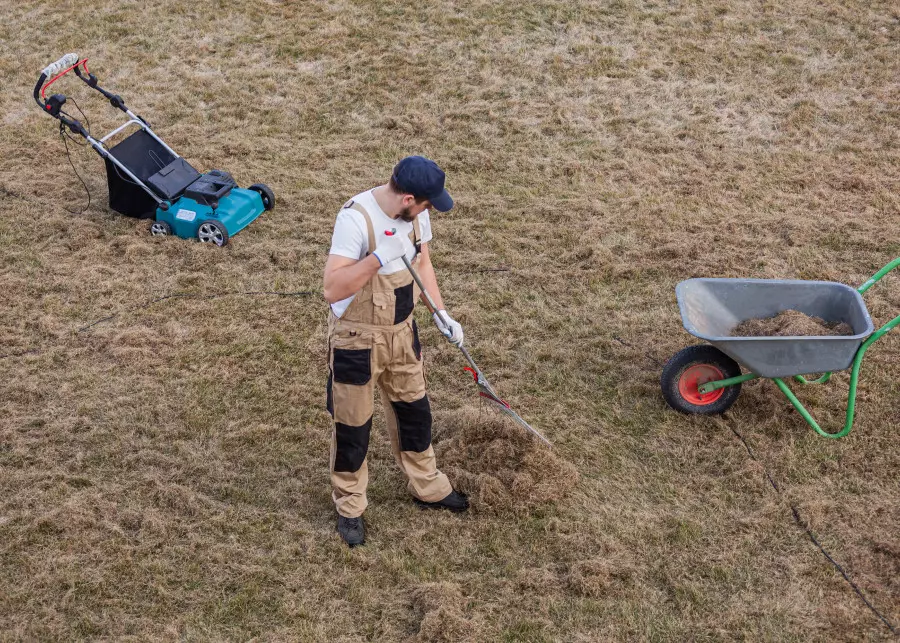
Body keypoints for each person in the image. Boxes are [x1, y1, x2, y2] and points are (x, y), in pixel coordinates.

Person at [322, 156, 469, 547]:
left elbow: (424, 263)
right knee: (353, 428)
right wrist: (376, 258)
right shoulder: (355, 220)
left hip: (403, 334)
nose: (429, 210)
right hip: (357, 339)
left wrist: (441, 313)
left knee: (414, 414)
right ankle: (350, 506)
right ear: (407, 198)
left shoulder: (416, 217)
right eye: (426, 204)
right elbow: (333, 290)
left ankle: (428, 487)